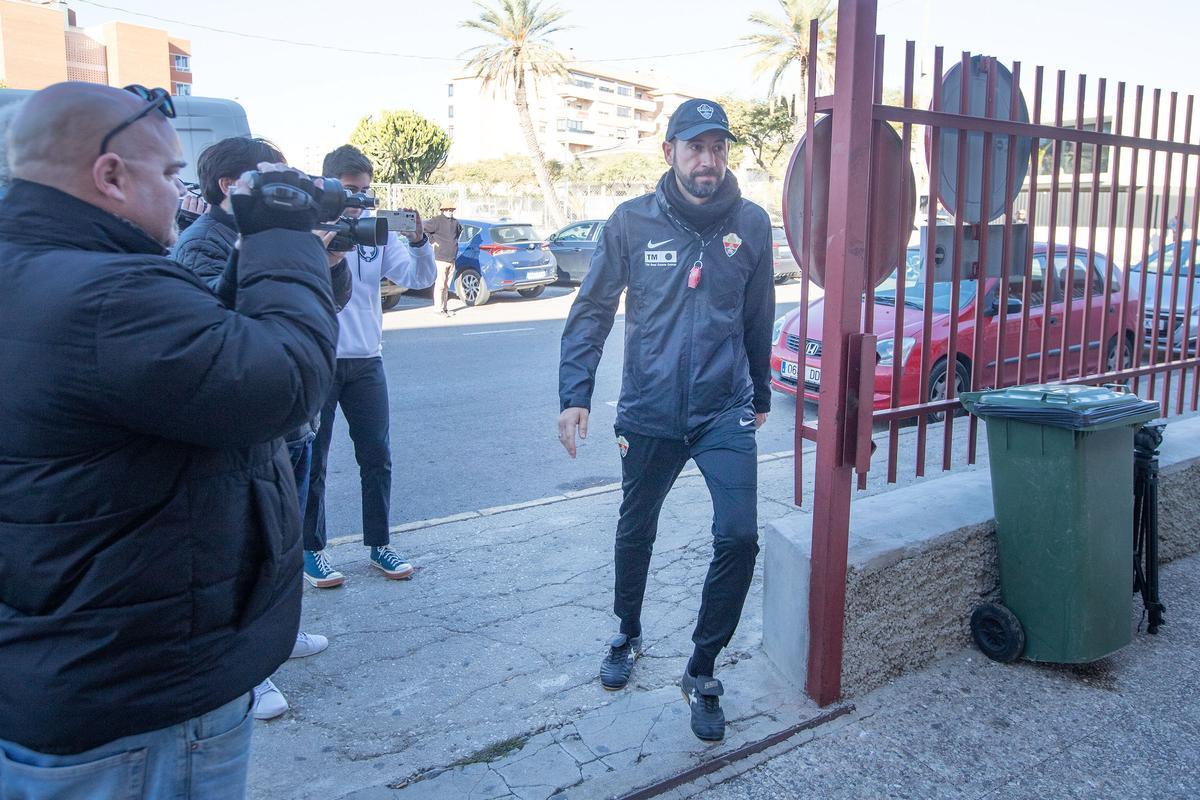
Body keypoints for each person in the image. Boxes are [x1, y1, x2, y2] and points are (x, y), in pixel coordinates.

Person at [0, 83, 338, 797]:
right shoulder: (107, 296)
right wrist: (282, 236)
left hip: (69, 664)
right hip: (138, 702)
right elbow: (284, 382)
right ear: (111, 176)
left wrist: (260, 256)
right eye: (169, 176)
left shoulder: (43, 272)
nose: (180, 196)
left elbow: (196, 359)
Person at [557, 99, 774, 743]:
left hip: (722, 409)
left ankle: (702, 669)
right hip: (648, 412)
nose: (707, 160)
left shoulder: (752, 224)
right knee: (636, 526)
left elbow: (758, 316)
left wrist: (759, 394)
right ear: (670, 152)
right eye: (694, 147)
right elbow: (592, 309)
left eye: (717, 147)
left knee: (739, 536)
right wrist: (576, 393)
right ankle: (626, 630)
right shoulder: (631, 222)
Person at [171, 135, 353, 721]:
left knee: (283, 544)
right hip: (252, 433)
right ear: (230, 185)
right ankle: (252, 671)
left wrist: (323, 258)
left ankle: (280, 634)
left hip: (290, 430)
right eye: (268, 175)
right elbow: (223, 341)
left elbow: (330, 305)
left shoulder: (267, 235)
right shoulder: (205, 243)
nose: (287, 184)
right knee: (246, 552)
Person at [303, 144, 437, 587]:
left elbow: (419, 279)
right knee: (314, 461)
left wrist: (418, 241)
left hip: (366, 361)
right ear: (327, 188)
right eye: (348, 190)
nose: (358, 198)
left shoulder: (376, 232)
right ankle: (311, 550)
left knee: (376, 456)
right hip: (319, 360)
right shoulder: (306, 230)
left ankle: (380, 544)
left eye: (364, 190)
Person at [424, 203, 462, 315]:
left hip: (452, 258)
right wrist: (432, 241)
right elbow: (425, 229)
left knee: (446, 286)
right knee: (440, 284)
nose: (450, 211)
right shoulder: (436, 221)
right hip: (440, 258)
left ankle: (444, 307)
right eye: (448, 209)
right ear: (443, 210)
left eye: (452, 209)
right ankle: (438, 308)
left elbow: (458, 234)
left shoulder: (455, 222)